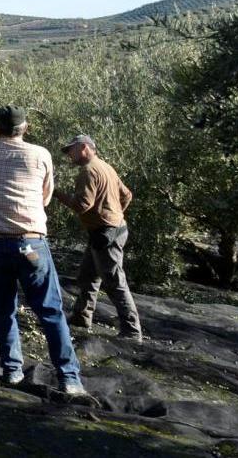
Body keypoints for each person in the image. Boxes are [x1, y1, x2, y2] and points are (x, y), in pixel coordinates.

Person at [0, 106, 85, 395]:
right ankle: (70, 379)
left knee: (3, 310)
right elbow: (46, 198)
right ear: (24, 128)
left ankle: (12, 372)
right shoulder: (40, 155)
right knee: (50, 311)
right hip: (32, 243)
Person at [54, 134, 143, 342]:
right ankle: (81, 317)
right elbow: (127, 195)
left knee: (114, 282)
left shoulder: (88, 171)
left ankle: (132, 331)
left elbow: (82, 205)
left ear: (84, 148)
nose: (69, 155)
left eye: (71, 150)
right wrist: (116, 214)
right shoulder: (105, 166)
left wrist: (57, 194)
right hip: (110, 230)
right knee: (87, 276)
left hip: (106, 233)